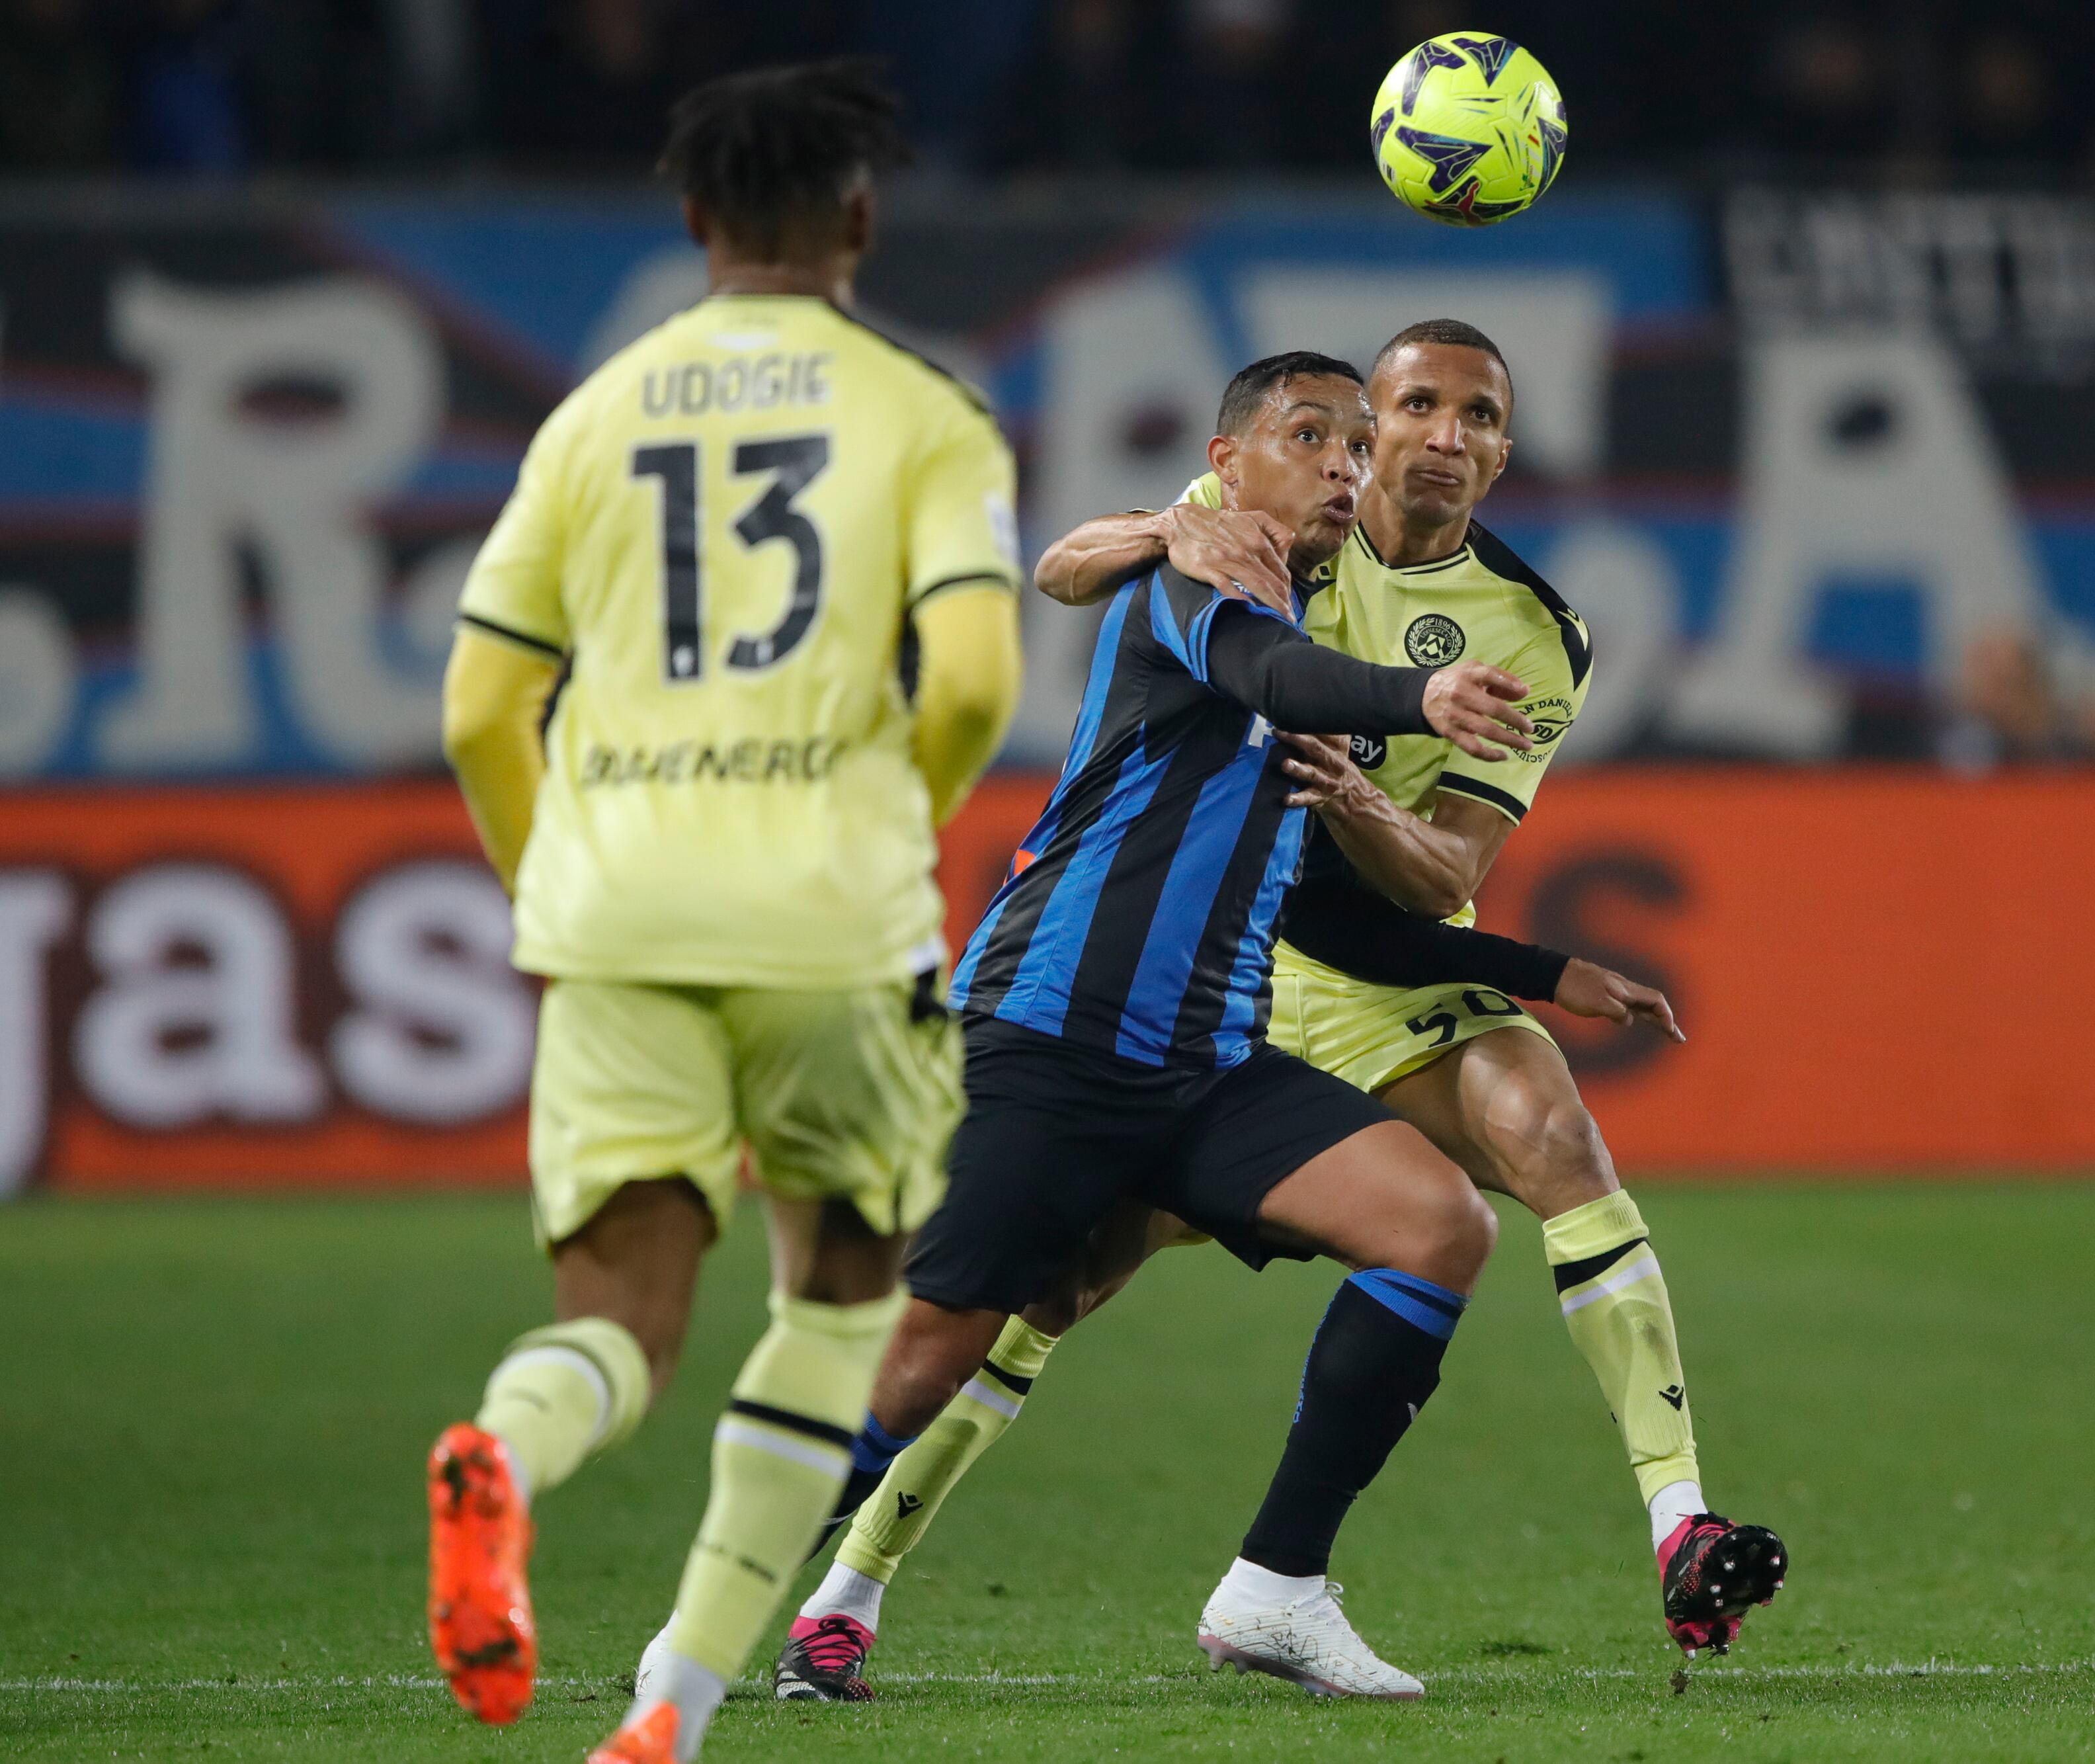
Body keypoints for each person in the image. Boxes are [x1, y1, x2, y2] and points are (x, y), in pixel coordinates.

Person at [778, 322, 1783, 1702]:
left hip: (1325, 965)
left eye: (1471, 413)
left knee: (1525, 1156)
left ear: (1501, 446)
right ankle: (829, 1585)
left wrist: (1454, 883)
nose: (1432, 435)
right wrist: (1158, 530)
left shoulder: (1532, 631)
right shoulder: (1246, 530)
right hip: (1168, 991)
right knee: (1028, 1300)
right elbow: (1080, 574)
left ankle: (1666, 1520)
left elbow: (1435, 878)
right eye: (1404, 406)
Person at [678, 347, 1550, 1710]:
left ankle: (1275, 1587)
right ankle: (729, 1600)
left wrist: (1545, 968)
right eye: (1306, 435)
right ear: (1225, 461)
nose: (1340, 461)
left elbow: (1334, 899)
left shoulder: (1307, 605)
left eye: (1348, 443)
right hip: (1052, 1035)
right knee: (928, 1353)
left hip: (1202, 1066)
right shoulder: (1199, 576)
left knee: (1437, 1226)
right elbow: (1273, 671)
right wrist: (1416, 700)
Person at [423, 61, 1026, 1764]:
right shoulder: (926, 411)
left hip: (613, 910)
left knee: (614, 1318)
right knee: (840, 1303)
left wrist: (559, 876)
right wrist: (884, 810)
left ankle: (505, 1452)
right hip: (829, 914)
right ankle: (666, 1711)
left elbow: (480, 706)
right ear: (857, 217)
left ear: (693, 223)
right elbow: (974, 673)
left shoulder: (590, 415)